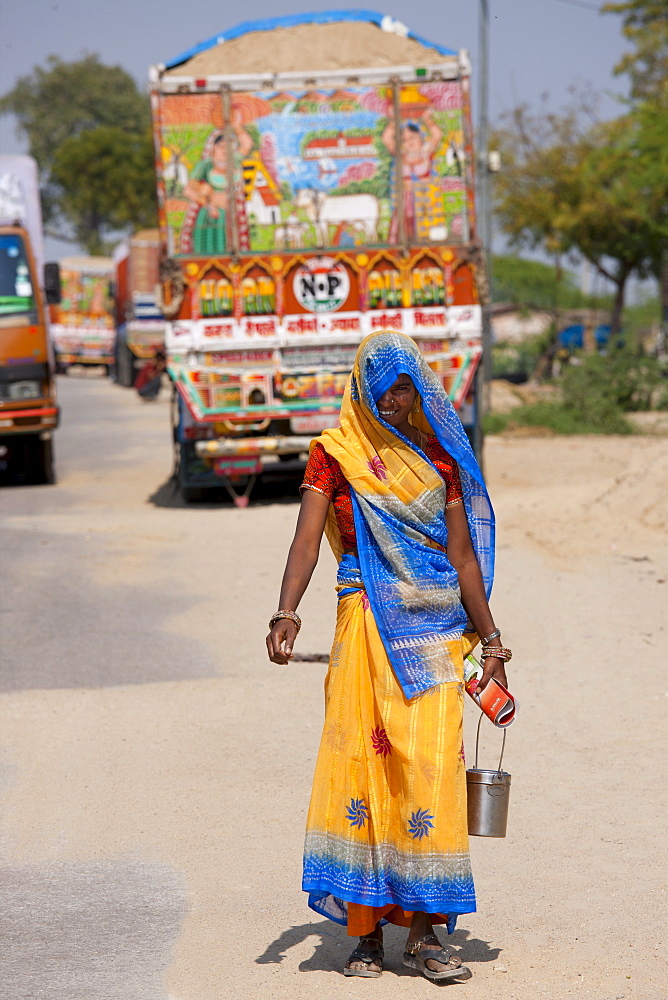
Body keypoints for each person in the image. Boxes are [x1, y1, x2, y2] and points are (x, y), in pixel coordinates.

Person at [266, 330, 511, 982]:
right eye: (384, 388)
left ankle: (428, 935)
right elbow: (306, 543)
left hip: (434, 636)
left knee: (430, 769)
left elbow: (461, 559)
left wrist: (491, 642)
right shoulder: (335, 456)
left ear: (419, 387)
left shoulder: (440, 458)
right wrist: (287, 612)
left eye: (405, 386)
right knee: (364, 772)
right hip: (364, 631)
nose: (395, 399)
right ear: (362, 389)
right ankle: (367, 934)